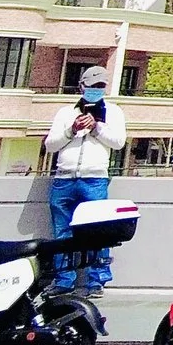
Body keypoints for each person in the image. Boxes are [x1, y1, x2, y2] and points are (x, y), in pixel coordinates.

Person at [41, 66, 127, 294]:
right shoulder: (65, 113)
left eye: (101, 86)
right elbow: (50, 145)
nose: (97, 90)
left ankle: (96, 281)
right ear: (82, 86)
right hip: (64, 179)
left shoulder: (113, 112)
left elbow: (118, 142)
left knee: (99, 231)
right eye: (92, 86)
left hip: (94, 179)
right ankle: (64, 280)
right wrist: (72, 130)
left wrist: (97, 128)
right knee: (62, 231)